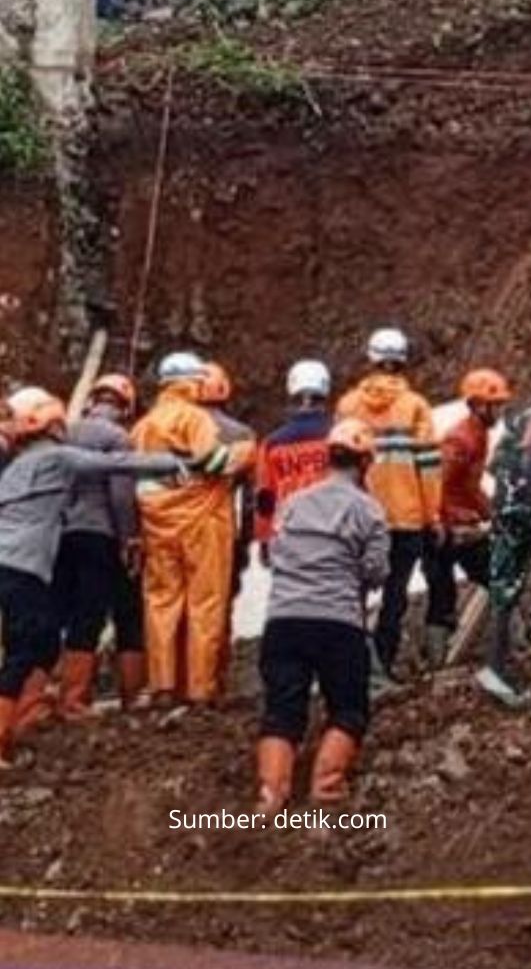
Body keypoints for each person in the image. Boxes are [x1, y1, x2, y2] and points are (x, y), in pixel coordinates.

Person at [0, 388, 184, 763]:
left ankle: (22, 719)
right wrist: (172, 462)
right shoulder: (57, 457)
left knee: (44, 641)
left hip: (14, 563)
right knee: (28, 647)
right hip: (22, 567)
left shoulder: (15, 467)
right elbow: (113, 465)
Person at [255, 419, 390, 811]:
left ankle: (271, 795)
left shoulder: (294, 502)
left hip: (284, 620)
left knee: (282, 710)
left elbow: (276, 555)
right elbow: (377, 572)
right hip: (338, 622)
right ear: (365, 463)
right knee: (348, 707)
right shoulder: (369, 510)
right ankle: (326, 790)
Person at [130, 352, 241, 707]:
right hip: (201, 520)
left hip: (156, 524)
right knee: (204, 602)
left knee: (161, 602)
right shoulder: (194, 418)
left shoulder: (143, 426)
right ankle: (199, 686)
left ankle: (162, 683)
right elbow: (214, 461)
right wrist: (242, 454)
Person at [336, 328, 442, 679]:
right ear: (402, 360)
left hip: (358, 515)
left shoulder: (348, 405)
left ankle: (350, 664)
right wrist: (432, 515)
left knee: (354, 593)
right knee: (394, 596)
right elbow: (428, 468)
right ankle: (383, 660)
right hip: (405, 517)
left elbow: (337, 463)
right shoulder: (415, 407)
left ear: (371, 358)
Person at [51, 372, 146, 716]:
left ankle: (46, 694)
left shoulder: (66, 434)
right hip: (99, 533)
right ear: (125, 405)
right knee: (90, 614)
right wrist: (129, 537)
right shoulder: (118, 437)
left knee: (60, 611)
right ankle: (75, 699)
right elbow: (120, 493)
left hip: (63, 533)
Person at [476, 360, 531, 710]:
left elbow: (494, 465)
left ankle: (498, 665)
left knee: (506, 587)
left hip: (510, 506)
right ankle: (503, 666)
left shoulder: (521, 417)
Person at [424, 368, 511, 670]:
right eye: (495, 404)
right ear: (477, 405)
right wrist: (448, 519)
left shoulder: (479, 435)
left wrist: (492, 513)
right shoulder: (460, 440)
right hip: (443, 531)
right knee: (442, 595)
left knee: (497, 578)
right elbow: (438, 486)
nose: (500, 410)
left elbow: (471, 487)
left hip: (461, 526)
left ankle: (512, 644)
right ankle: (438, 665)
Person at [199, 362, 256, 699]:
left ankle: (174, 680)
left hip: (169, 530)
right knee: (219, 606)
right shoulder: (241, 435)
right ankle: (212, 678)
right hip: (224, 529)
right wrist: (248, 538)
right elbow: (250, 495)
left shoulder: (171, 427)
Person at [253, 361, 335, 559]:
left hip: (289, 535)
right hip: (333, 532)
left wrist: (265, 539)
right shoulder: (340, 438)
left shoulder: (272, 444)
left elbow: (265, 498)